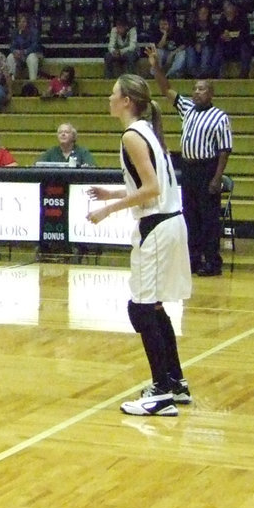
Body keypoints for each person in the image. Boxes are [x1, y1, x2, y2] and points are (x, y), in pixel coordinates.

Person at [86, 74, 191, 417]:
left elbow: (151, 189)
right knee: (154, 306)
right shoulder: (146, 130)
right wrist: (113, 192)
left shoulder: (132, 135)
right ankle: (174, 381)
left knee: (141, 308)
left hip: (158, 226)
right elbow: (151, 184)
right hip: (169, 222)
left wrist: (107, 209)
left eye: (113, 92)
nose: (109, 97)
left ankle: (161, 391)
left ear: (127, 101)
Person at [146, 47, 232, 276]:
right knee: (190, 216)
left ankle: (213, 262)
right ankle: (193, 259)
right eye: (194, 88)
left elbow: (224, 151)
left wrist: (216, 178)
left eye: (201, 89)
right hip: (188, 168)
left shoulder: (220, 117)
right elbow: (166, 90)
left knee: (209, 219)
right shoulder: (187, 108)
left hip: (208, 169)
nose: (196, 92)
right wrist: (156, 67)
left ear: (211, 93)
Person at [216, 0, 253, 79]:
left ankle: (244, 73)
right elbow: (218, 34)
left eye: (228, 9)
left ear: (234, 9)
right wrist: (222, 36)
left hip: (239, 45)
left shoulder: (242, 18)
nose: (227, 11)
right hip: (227, 45)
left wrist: (232, 38)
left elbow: (245, 36)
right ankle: (220, 73)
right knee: (219, 48)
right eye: (225, 9)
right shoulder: (222, 19)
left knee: (245, 49)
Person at [184, 5, 220, 79]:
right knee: (189, 50)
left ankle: (203, 74)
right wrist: (195, 44)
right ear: (197, 14)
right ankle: (192, 74)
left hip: (208, 47)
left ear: (208, 14)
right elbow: (188, 40)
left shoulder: (213, 27)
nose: (203, 15)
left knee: (206, 50)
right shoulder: (191, 26)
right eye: (201, 13)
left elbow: (214, 41)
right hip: (194, 47)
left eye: (205, 13)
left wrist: (203, 44)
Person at [4, 13, 43, 82]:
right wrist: (14, 52)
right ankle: (11, 82)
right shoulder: (15, 32)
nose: (21, 24)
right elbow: (12, 46)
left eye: (24, 22)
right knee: (10, 57)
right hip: (20, 56)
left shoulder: (34, 32)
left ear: (27, 23)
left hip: (32, 54)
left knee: (32, 58)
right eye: (19, 22)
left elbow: (35, 46)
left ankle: (33, 82)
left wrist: (24, 52)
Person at [153, 13, 188, 79]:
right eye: (161, 24)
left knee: (182, 54)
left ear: (170, 25)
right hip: (164, 53)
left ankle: (171, 74)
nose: (162, 26)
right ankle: (157, 74)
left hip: (176, 52)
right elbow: (159, 46)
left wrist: (172, 54)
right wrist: (165, 35)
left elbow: (183, 45)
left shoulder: (178, 31)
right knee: (157, 52)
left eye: (165, 24)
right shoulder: (157, 32)